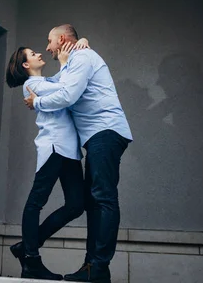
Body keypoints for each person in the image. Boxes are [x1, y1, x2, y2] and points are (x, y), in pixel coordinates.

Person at [24, 24, 132, 283]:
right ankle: (91, 267)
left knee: (103, 198)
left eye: (49, 41)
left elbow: (68, 95)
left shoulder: (82, 57)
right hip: (95, 137)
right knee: (93, 201)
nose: (47, 47)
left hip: (104, 132)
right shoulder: (73, 61)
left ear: (61, 39)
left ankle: (98, 268)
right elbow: (56, 84)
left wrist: (36, 102)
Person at [5, 39, 89, 280]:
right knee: (36, 202)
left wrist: (80, 42)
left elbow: (63, 85)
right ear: (25, 65)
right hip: (53, 146)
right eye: (33, 53)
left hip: (69, 151)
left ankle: (25, 247)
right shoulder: (32, 85)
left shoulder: (45, 81)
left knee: (76, 205)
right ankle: (31, 260)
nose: (39, 53)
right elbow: (67, 92)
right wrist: (64, 64)